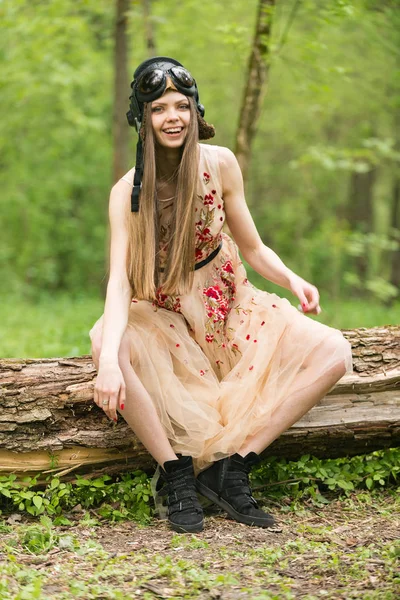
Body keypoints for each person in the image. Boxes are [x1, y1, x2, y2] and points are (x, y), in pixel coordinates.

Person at [89, 56, 353, 534]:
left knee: (335, 352)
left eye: (181, 106)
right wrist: (108, 361)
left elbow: (252, 246)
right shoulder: (127, 191)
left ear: (195, 110)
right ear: (142, 118)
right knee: (104, 339)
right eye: (159, 108)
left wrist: (292, 279)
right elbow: (119, 280)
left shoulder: (220, 163)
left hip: (229, 304)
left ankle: (232, 469)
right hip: (166, 313)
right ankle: (177, 477)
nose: (173, 117)